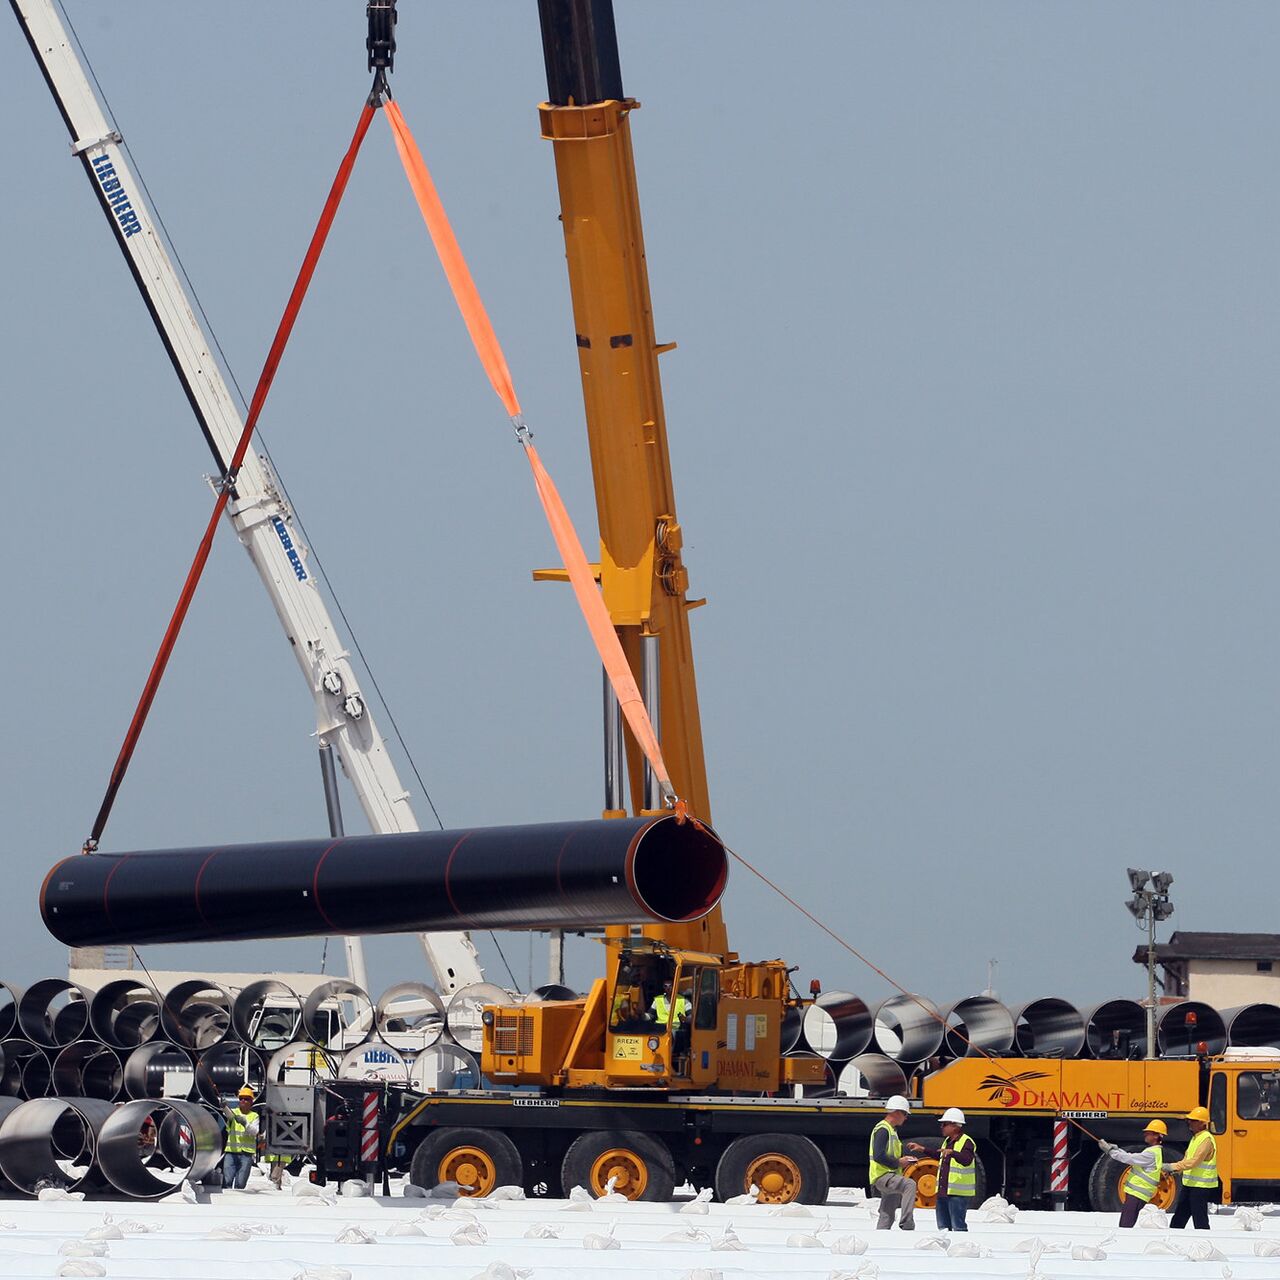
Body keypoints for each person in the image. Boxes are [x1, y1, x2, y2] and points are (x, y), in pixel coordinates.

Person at [908, 1106, 976, 1231]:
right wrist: (921, 1149)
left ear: (955, 1126)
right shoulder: (948, 1141)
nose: (941, 1127)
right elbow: (940, 1155)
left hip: (957, 1194)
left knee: (958, 1227)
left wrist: (952, 1153)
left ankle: (961, 1247)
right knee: (943, 1228)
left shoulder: (966, 1142)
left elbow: (967, 1160)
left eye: (944, 1124)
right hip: (944, 1192)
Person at [1099, 1119, 1166, 1227]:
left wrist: (1111, 1151)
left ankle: (1123, 1241)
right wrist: (1117, 1149)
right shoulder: (1153, 1152)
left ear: (1156, 1136)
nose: (1145, 1134)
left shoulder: (1151, 1154)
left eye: (1148, 1133)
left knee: (1125, 1224)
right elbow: (1132, 1157)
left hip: (1137, 1194)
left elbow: (1130, 1158)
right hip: (1138, 1193)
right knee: (1127, 1222)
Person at [869, 1094, 919, 1230]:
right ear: (896, 1112)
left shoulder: (891, 1130)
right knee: (910, 1184)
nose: (906, 1117)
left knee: (887, 1214)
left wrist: (904, 1161)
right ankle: (907, 1222)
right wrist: (898, 1162)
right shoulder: (883, 1130)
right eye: (904, 1114)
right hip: (883, 1176)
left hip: (890, 1176)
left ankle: (881, 1236)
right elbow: (879, 1155)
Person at [1167, 1106, 1217, 1229]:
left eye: (1193, 1120)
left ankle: (1204, 1244)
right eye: (1189, 1120)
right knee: (1179, 1218)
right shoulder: (1196, 1138)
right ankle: (1174, 1238)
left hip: (1200, 1187)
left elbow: (1194, 1162)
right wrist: (1176, 1170)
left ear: (1202, 1123)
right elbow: (1187, 1159)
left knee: (1200, 1220)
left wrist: (1171, 1166)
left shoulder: (1206, 1140)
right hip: (1190, 1185)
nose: (1189, 1123)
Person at [221, 1085, 260, 1190]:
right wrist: (224, 1107)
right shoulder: (234, 1112)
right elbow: (229, 1115)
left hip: (246, 1154)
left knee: (241, 1183)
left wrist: (245, 1123)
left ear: (251, 1102)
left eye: (246, 1099)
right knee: (227, 1181)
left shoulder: (254, 1116)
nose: (243, 1101)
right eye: (241, 1099)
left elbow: (255, 1131)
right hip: (231, 1152)